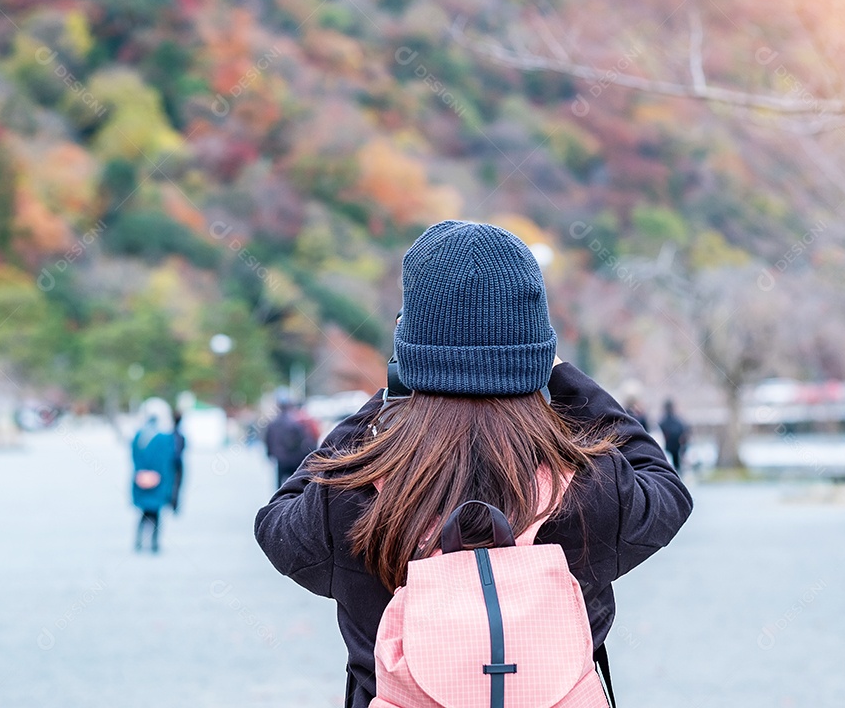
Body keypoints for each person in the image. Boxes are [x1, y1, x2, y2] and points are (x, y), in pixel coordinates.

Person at [255, 220, 693, 708]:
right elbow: (665, 485)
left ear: (410, 350)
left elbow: (278, 520)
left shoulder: (349, 496)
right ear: (536, 350)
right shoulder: (593, 487)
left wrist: (383, 399)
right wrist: (563, 375)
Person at [130, 398, 179, 553]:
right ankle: (154, 543)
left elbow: (134, 458)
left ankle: (139, 541)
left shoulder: (139, 436)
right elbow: (167, 463)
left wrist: (141, 473)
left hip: (141, 479)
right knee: (156, 514)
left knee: (144, 513)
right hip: (159, 481)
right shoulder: (165, 438)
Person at [264, 392, 318, 490]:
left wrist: (270, 454)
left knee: (280, 486)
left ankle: (279, 504)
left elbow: (268, 440)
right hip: (294, 458)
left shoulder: (273, 423)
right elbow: (303, 439)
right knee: (294, 485)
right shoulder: (295, 422)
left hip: (280, 459)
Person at [659, 399, 690, 473]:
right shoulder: (678, 421)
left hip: (668, 447)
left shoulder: (663, 422)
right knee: (677, 466)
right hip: (676, 447)